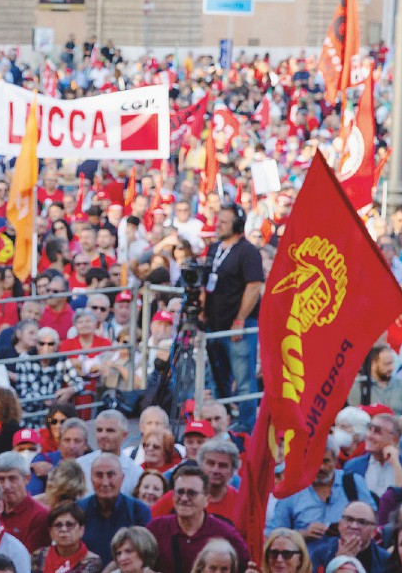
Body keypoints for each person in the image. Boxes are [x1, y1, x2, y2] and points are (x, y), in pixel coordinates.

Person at [203, 204, 265, 429]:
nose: (218, 225)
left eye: (225, 222)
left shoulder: (248, 251)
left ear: (238, 225)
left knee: (244, 382)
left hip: (237, 325)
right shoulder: (214, 248)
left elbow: (254, 286)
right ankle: (222, 420)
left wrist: (239, 320)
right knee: (219, 379)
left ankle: (247, 426)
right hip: (214, 324)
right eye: (218, 220)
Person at [145, 465, 250, 573]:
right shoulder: (156, 529)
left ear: (207, 499)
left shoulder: (225, 534)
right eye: (180, 492)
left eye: (191, 493)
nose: (184, 498)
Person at [268, 434, 376, 539]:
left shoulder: (353, 482)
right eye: (314, 461)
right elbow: (274, 534)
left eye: (325, 461)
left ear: (335, 461)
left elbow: (373, 520)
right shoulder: (292, 490)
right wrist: (303, 534)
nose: (320, 467)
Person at [77, 453, 152, 565]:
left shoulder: (138, 511)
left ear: (122, 478)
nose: (105, 482)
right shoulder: (78, 510)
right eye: (99, 475)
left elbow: (145, 556)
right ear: (91, 478)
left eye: (111, 475)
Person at [0, 451, 51, 553]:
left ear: (27, 479)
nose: (6, 485)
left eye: (12, 478)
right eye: (1, 479)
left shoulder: (40, 516)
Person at [308, 501, 390, 571]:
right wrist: (337, 563)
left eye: (362, 522)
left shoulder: (386, 560)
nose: (354, 526)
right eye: (349, 519)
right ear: (340, 525)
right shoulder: (320, 554)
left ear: (374, 532)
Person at [77, 410, 144, 496]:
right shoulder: (80, 466)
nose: (103, 435)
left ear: (124, 435)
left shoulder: (136, 473)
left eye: (110, 430)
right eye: (99, 430)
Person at [342, 412, 402, 498]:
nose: (369, 436)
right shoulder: (353, 466)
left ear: (394, 439)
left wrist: (396, 463)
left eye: (377, 431)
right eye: (369, 429)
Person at [31, 503, 103, 573]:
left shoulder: (92, 562)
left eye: (70, 524)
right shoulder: (39, 555)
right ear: (51, 532)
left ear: (81, 530)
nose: (64, 529)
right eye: (58, 525)